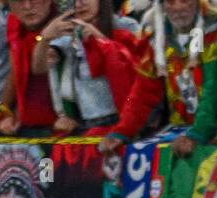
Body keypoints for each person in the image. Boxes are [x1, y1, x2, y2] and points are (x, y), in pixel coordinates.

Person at [99, 0, 217, 156]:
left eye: (184, 1)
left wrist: (199, 133)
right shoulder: (156, 32)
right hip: (179, 127)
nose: (178, 8)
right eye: (170, 2)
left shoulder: (213, 29)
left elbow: (215, 86)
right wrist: (121, 130)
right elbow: (142, 91)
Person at [30, 0, 140, 135]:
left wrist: (100, 39)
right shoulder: (70, 31)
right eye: (73, 1)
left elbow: (137, 70)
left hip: (122, 120)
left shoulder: (126, 25)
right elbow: (39, 67)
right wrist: (44, 37)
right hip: (85, 126)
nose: (79, 4)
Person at [0, 0, 58, 134]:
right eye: (18, 1)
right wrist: (3, 113)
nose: (27, 6)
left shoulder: (64, 26)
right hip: (23, 125)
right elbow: (14, 71)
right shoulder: (13, 22)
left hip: (62, 127)